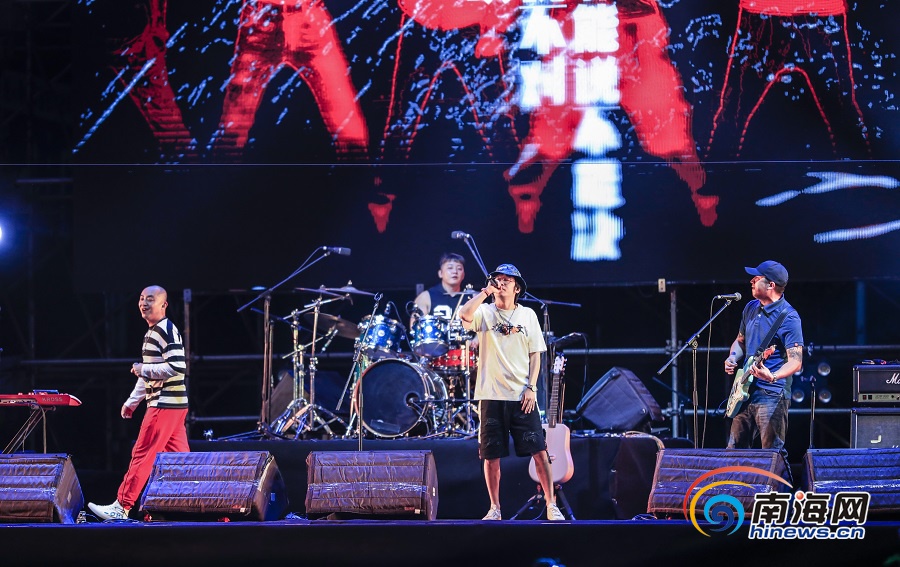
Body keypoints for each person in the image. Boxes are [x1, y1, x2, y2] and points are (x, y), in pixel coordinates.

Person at [458, 264, 564, 521]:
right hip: (491, 395)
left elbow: (536, 354)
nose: (502, 283)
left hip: (521, 395)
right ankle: (495, 507)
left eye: (507, 280)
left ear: (517, 288)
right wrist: (485, 292)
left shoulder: (527, 315)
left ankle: (551, 504)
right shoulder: (485, 311)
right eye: (498, 279)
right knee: (491, 456)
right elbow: (464, 314)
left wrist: (531, 387)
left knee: (539, 451)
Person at [88, 285, 189, 520]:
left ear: (163, 304)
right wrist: (132, 401)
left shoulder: (164, 330)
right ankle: (197, 505)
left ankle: (122, 506)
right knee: (181, 461)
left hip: (164, 404)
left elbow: (177, 367)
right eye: (142, 299)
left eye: (150, 299)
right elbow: (148, 376)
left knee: (142, 453)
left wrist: (143, 368)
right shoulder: (153, 332)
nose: (144, 303)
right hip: (173, 404)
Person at [724, 261, 804, 453]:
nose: (751, 281)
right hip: (744, 390)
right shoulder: (750, 308)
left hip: (772, 393)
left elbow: (796, 361)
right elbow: (740, 341)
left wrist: (772, 376)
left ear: (771, 285)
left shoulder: (789, 317)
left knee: (771, 453)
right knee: (734, 450)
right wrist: (733, 357)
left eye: (757, 278)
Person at [410, 253, 468, 326]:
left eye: (459, 269)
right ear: (440, 273)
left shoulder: (473, 297)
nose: (455, 272)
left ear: (463, 274)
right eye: (450, 268)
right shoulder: (425, 297)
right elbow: (416, 327)